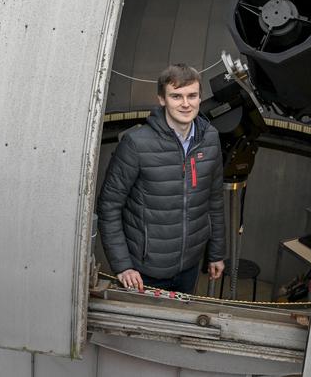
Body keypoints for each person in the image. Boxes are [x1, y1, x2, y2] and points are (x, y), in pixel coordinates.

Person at [97, 64, 226, 293]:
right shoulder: (136, 144)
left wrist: (216, 253)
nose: (185, 104)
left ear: (199, 98)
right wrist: (123, 266)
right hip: (144, 272)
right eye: (176, 96)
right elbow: (109, 206)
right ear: (162, 99)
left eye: (192, 96)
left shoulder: (210, 138)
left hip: (189, 267)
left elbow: (214, 200)